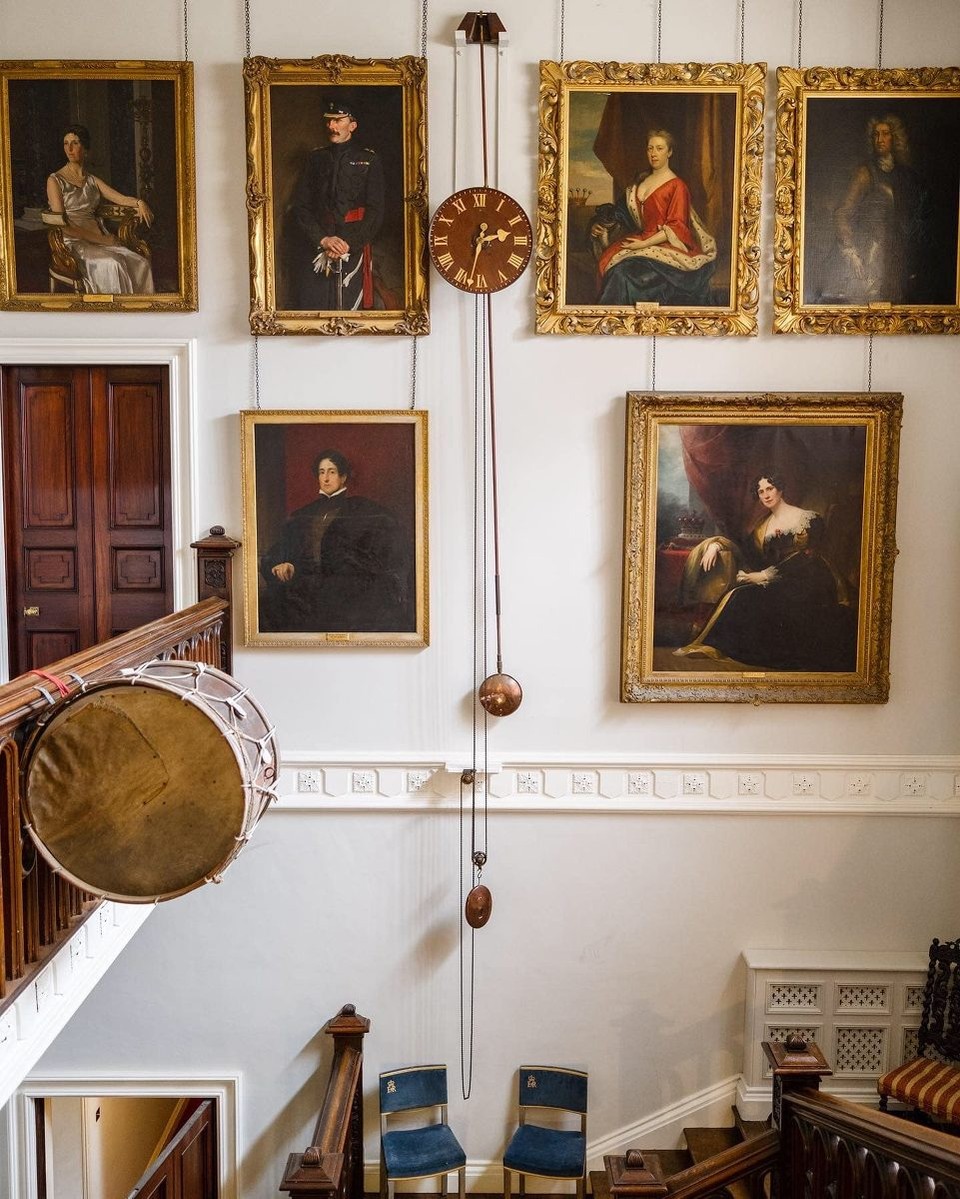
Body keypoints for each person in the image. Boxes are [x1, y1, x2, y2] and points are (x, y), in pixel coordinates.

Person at [673, 473, 856, 671]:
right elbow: (744, 552)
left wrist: (766, 575)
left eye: (770, 489)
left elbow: (809, 557)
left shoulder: (808, 519)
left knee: (744, 597)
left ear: (780, 489)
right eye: (761, 491)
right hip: (779, 582)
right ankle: (719, 645)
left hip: (809, 582)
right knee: (738, 595)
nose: (766, 495)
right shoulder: (763, 527)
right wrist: (716, 545)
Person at [260, 450, 412, 634]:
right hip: (305, 585)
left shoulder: (364, 511)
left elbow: (379, 558)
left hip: (345, 588)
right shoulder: (302, 515)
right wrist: (286, 563)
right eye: (321, 472)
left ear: (343, 477)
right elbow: (284, 550)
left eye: (331, 472)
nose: (325, 478)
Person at [590, 129, 717, 306]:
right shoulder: (639, 183)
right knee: (607, 266)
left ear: (669, 152)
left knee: (621, 275)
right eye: (650, 149)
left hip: (665, 245)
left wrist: (642, 245)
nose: (654, 154)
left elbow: (676, 227)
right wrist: (601, 226)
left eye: (659, 148)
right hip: (639, 239)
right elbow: (620, 214)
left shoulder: (677, 186)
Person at [285, 98, 385, 311]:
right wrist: (323, 239)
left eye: (338, 120)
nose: (332, 126)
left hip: (354, 242)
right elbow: (301, 206)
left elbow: (376, 211)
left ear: (352, 125)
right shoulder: (316, 158)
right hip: (319, 241)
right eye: (329, 121)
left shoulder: (369, 160)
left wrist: (348, 243)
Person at [45, 124, 154, 294]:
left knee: (141, 263)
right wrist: (102, 240)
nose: (70, 148)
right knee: (114, 264)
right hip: (73, 244)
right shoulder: (55, 180)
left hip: (99, 239)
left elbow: (121, 199)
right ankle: (116, 315)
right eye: (66, 143)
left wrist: (139, 202)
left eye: (75, 142)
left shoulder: (92, 180)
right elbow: (62, 226)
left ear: (85, 148)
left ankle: (141, 314)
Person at [833, 114, 929, 304]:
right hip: (872, 253)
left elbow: (916, 216)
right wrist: (851, 253)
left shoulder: (905, 175)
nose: (880, 140)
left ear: (894, 138)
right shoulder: (865, 173)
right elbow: (841, 214)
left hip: (898, 254)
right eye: (876, 135)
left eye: (885, 134)